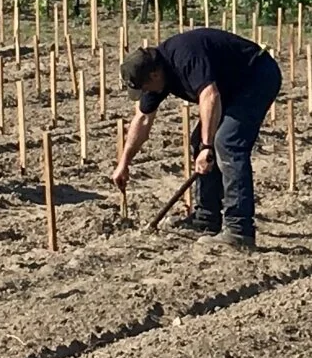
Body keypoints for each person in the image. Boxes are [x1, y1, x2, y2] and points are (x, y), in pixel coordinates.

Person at [112, 27, 281, 250]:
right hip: (230, 85)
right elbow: (142, 120)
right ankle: (207, 218)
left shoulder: (185, 57)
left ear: (154, 75)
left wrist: (207, 146)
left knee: (227, 142)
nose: (145, 93)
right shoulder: (155, 74)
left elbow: (209, 95)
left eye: (144, 88)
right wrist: (124, 163)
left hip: (256, 75)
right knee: (198, 142)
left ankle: (240, 230)